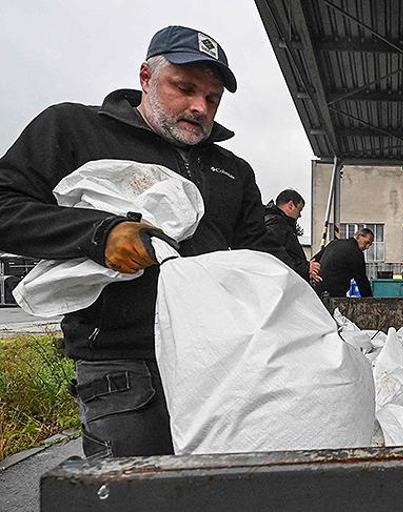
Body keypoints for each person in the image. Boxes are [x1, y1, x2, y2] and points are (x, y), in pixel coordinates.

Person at [0, 26, 293, 458]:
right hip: (124, 364)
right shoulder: (76, 130)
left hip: (219, 362)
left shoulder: (232, 170)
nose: (199, 107)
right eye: (185, 87)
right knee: (136, 490)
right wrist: (99, 234)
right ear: (145, 77)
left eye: (212, 98)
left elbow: (260, 253)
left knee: (221, 486)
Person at [263, 189, 320, 282]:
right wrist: (305, 267)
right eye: (299, 210)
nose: (300, 215)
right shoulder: (277, 224)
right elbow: (275, 255)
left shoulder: (279, 223)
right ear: (291, 205)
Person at [312, 228, 374, 298]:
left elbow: (314, 260)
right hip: (335, 292)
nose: (367, 247)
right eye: (366, 242)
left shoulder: (334, 243)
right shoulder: (356, 252)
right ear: (358, 236)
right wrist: (370, 300)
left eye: (370, 245)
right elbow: (362, 280)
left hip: (316, 289)